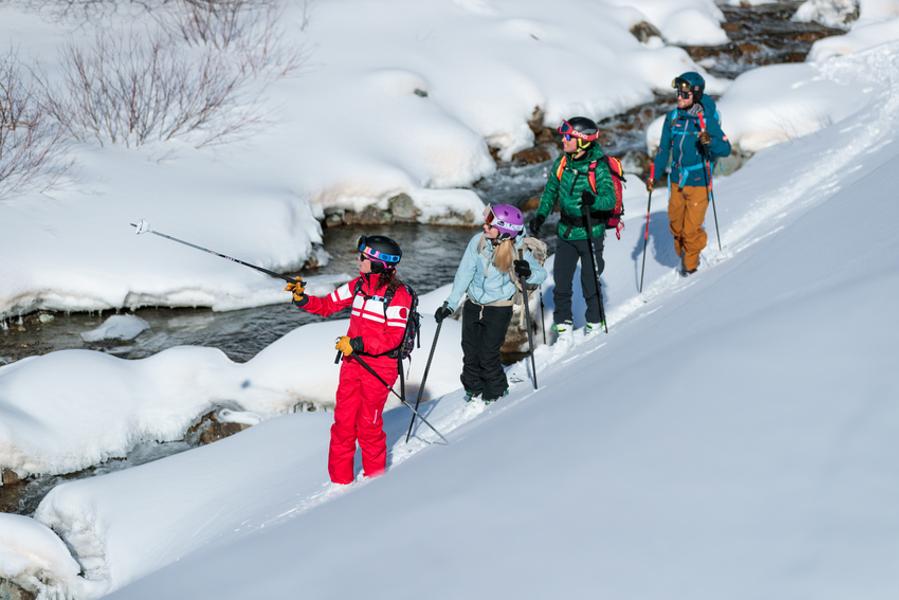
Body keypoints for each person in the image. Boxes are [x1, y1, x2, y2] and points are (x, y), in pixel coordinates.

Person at [285, 235, 412, 485]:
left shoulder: (399, 295)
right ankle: (339, 483)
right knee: (342, 425)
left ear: (378, 263)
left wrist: (358, 344)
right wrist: (302, 297)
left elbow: (394, 338)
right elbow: (326, 305)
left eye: (364, 257)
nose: (359, 260)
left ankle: (375, 480)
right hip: (352, 364)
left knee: (368, 426)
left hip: (380, 368)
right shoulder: (357, 286)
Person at [435, 203, 546, 403]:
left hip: (498, 309)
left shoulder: (517, 250)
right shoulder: (478, 242)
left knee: (487, 354)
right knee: (469, 353)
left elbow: (540, 274)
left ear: (504, 232)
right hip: (473, 305)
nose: (484, 226)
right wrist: (450, 304)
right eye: (487, 222)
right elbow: (464, 273)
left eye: (490, 224)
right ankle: (473, 391)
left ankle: (496, 394)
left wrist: (527, 272)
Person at [528, 116, 616, 339]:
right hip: (566, 232)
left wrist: (592, 201)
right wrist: (540, 215)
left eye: (568, 137)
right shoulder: (563, 162)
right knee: (562, 282)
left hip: (590, 233)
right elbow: (550, 191)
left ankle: (595, 323)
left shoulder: (599, 166)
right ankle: (563, 326)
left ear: (583, 141)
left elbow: (610, 199)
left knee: (589, 282)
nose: (563, 141)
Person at [647, 71, 732, 276]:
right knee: (676, 227)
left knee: (690, 230)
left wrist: (709, 141)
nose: (679, 98)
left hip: (699, 181)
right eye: (678, 93)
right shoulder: (673, 118)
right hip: (676, 180)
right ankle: (687, 250)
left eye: (684, 95)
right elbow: (664, 149)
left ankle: (691, 270)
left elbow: (725, 149)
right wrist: (654, 174)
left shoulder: (706, 119)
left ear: (695, 95)